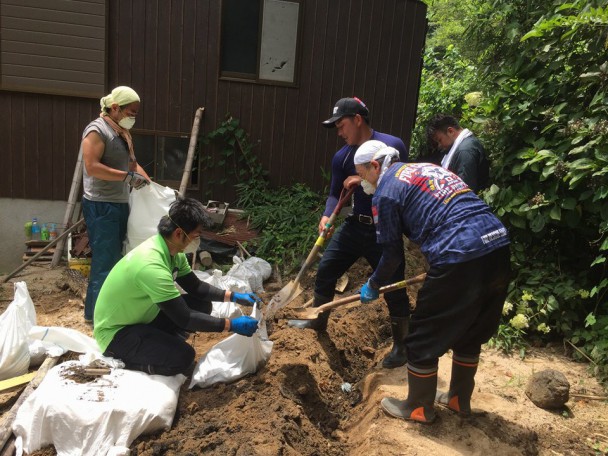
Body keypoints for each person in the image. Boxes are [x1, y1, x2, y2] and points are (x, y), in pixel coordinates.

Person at [354, 142, 510, 424]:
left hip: (459, 253)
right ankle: (458, 399)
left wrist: (373, 284)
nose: (364, 182)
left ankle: (417, 407)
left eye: (363, 175)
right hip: (498, 244)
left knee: (422, 334)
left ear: (375, 166)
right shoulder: (425, 169)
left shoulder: (386, 192)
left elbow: (390, 255)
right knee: (472, 329)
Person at [288, 97, 411, 369]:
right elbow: (335, 193)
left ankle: (402, 345)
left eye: (341, 125)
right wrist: (326, 215)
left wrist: (365, 177)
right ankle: (318, 320)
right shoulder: (341, 157)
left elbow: (402, 181)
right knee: (327, 267)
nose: (340, 133)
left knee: (393, 285)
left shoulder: (393, 145)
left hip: (385, 227)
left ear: (358, 119)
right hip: (356, 224)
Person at [93, 197, 261, 376]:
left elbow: (196, 287)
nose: (197, 240)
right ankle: (127, 361)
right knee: (183, 358)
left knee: (201, 305)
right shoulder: (150, 265)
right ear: (179, 233)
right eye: (196, 235)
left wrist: (233, 296)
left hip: (142, 317)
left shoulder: (173, 252)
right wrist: (231, 325)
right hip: (117, 334)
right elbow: (184, 318)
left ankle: (158, 343)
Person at [81, 86, 151, 323]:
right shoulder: (97, 131)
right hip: (101, 205)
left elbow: (132, 165)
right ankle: (95, 316)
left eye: (136, 113)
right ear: (114, 108)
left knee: (118, 260)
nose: (134, 117)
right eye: (131, 112)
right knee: (104, 261)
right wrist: (126, 178)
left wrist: (150, 184)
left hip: (119, 202)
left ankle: (107, 310)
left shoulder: (122, 133)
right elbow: (91, 166)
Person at [426, 114, 489, 193]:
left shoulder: (465, 151)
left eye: (440, 140)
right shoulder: (465, 146)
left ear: (450, 131)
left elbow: (465, 190)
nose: (439, 145)